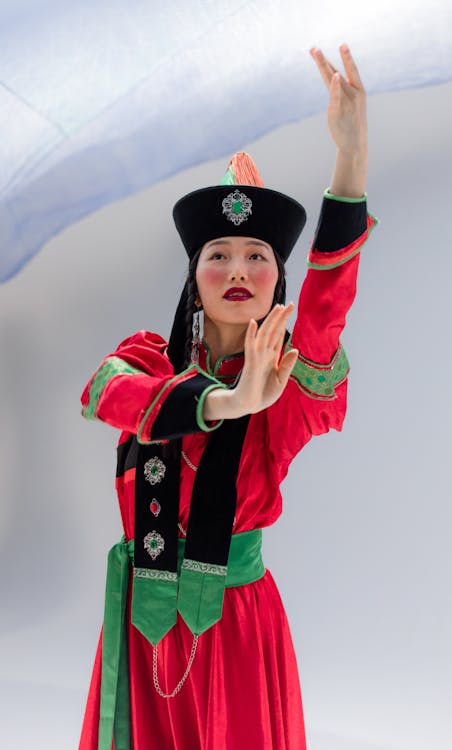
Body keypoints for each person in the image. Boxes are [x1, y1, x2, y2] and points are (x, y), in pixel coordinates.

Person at [78, 44, 379, 750]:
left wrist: (351, 162)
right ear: (196, 271)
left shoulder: (285, 388)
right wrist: (221, 402)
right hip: (140, 620)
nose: (237, 269)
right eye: (219, 253)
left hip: (233, 623)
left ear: (278, 277)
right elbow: (103, 394)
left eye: (257, 256)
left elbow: (327, 311)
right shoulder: (148, 359)